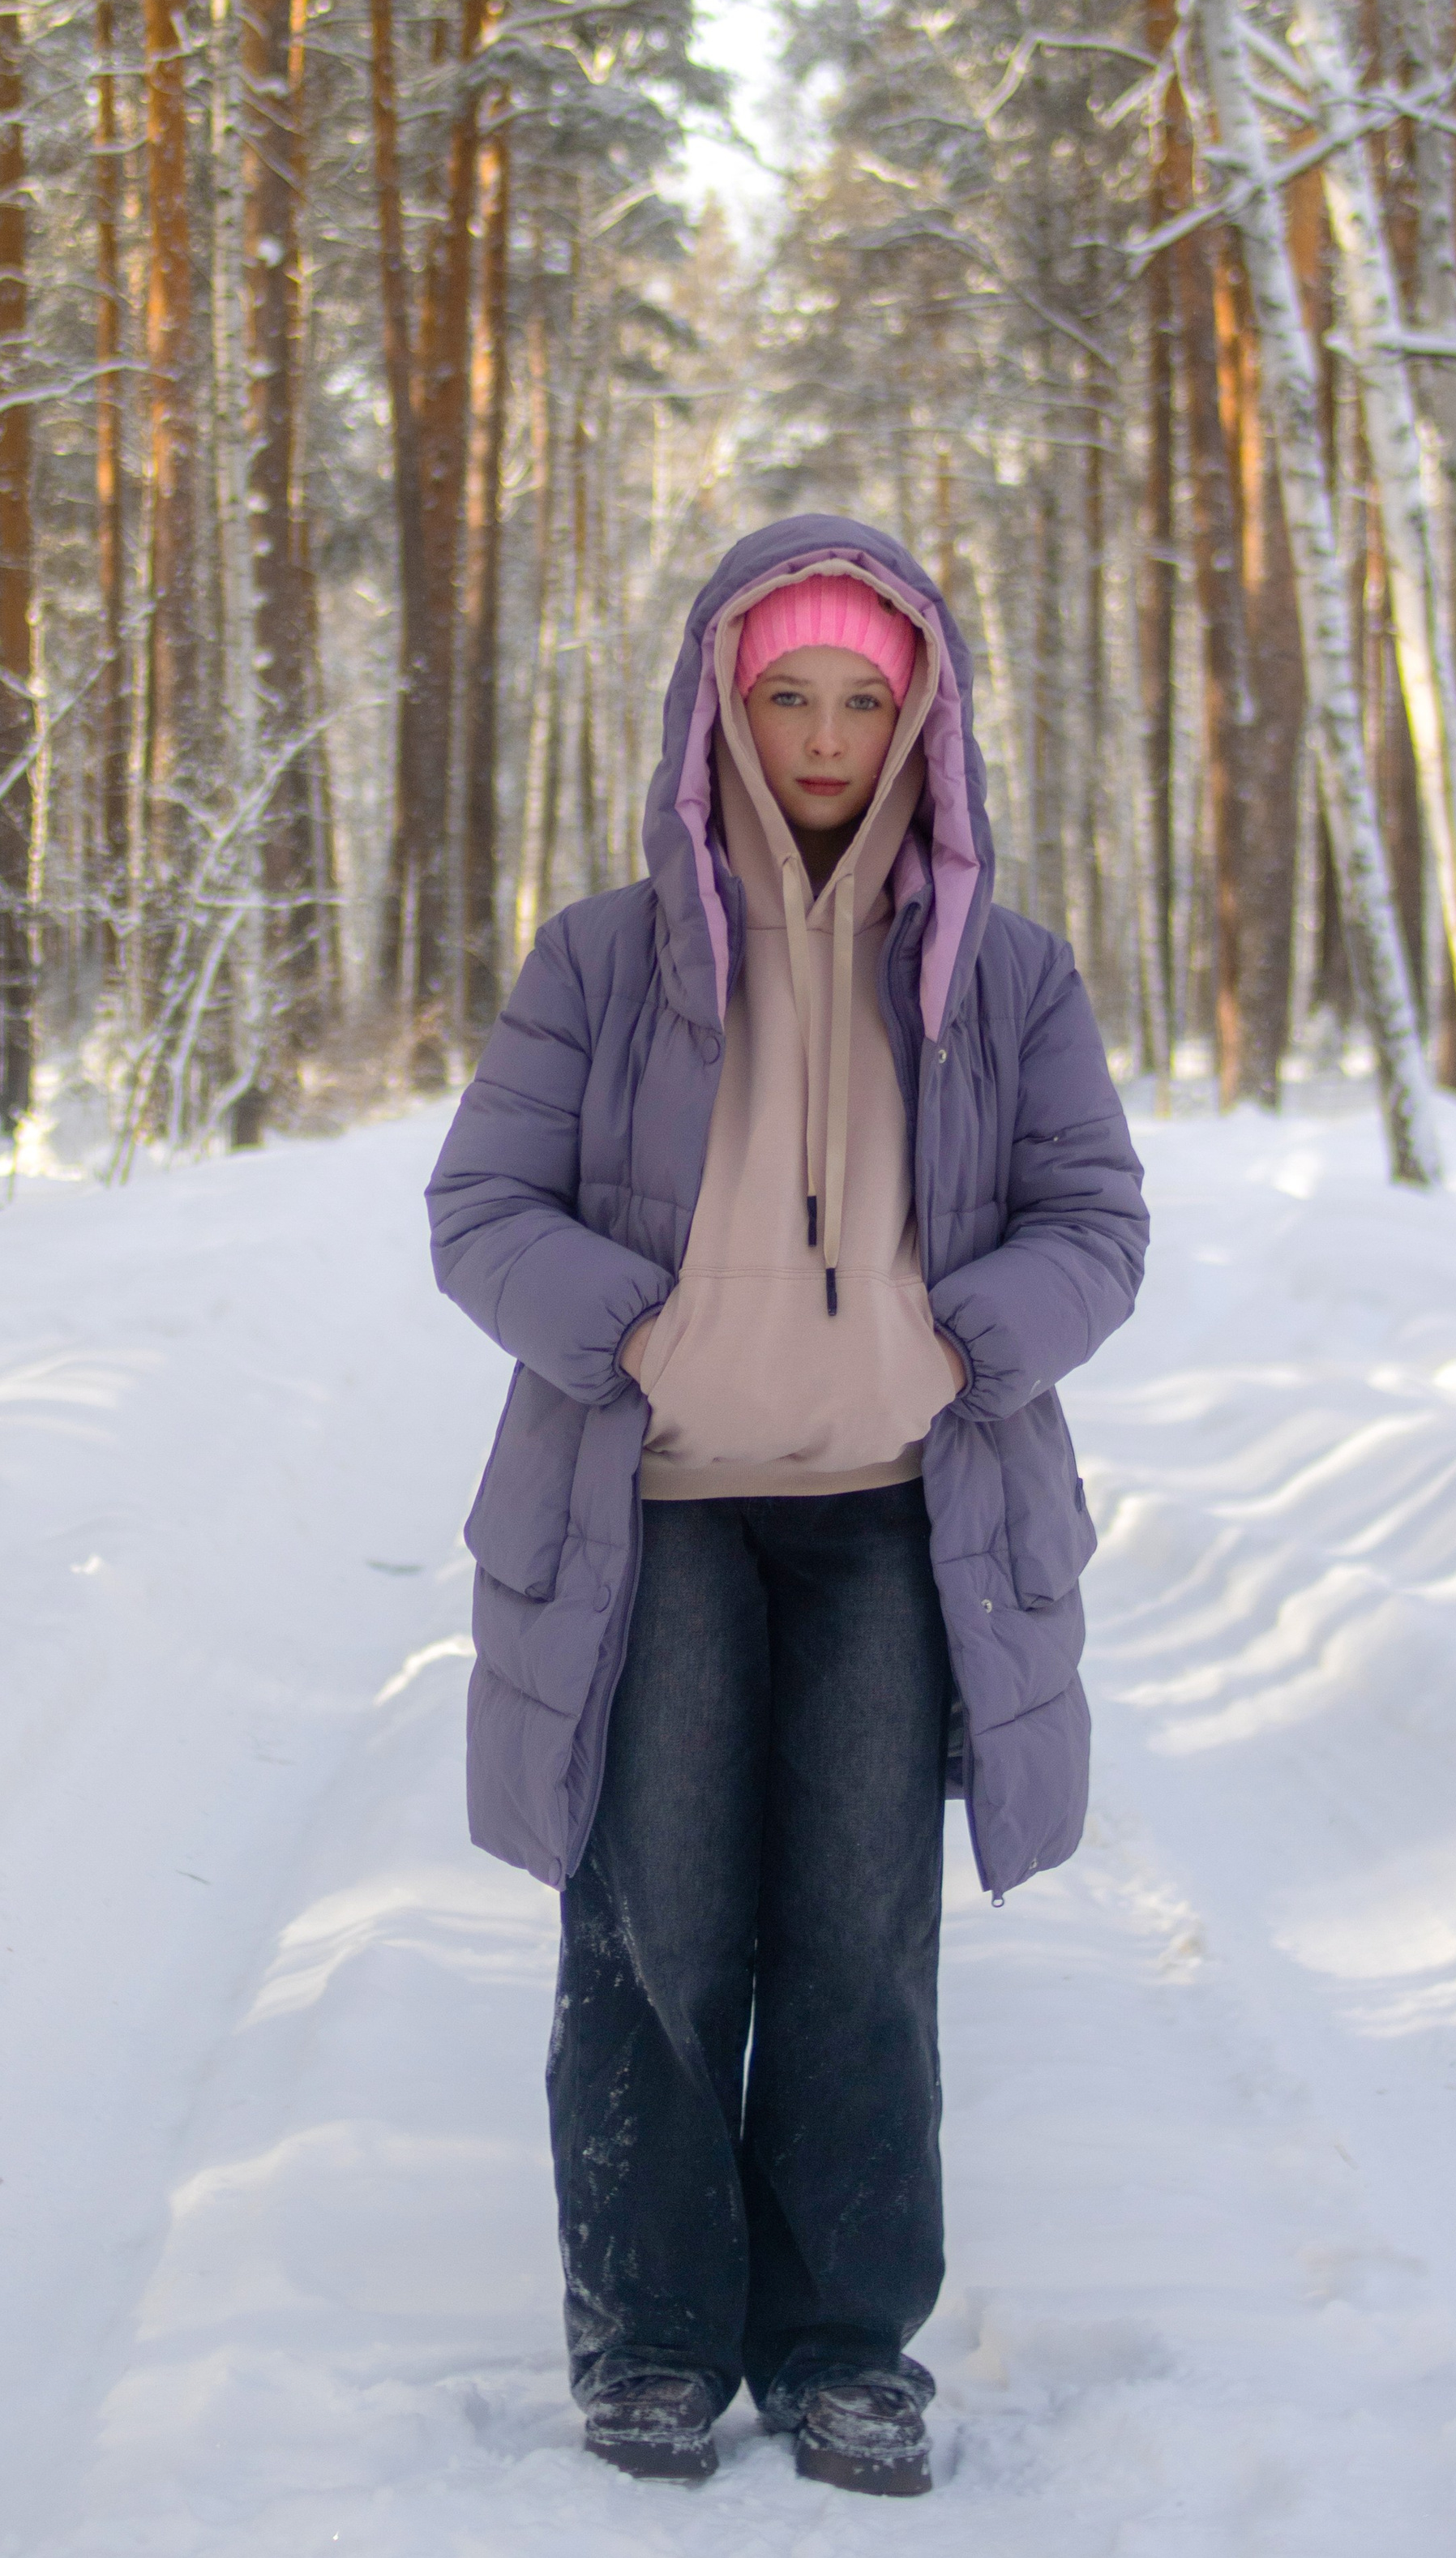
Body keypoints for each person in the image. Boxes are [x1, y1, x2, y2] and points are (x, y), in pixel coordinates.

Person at [427, 516, 1147, 2496]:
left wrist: (963, 1344)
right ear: (718, 716)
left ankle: (842, 2347)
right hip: (649, 1510)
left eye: (859, 701)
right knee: (656, 1925)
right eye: (785, 700)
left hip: (893, 1520)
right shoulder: (601, 959)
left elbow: (1094, 1221)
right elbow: (480, 1209)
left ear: (918, 721)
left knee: (856, 1937)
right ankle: (652, 2336)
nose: (824, 739)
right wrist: (634, 1329)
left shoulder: (1004, 975)